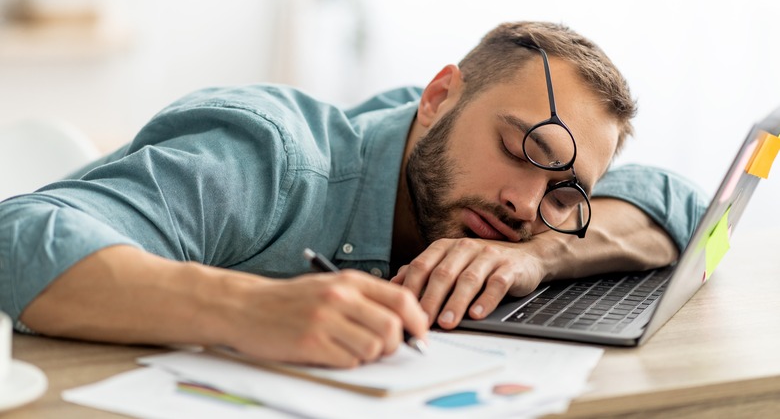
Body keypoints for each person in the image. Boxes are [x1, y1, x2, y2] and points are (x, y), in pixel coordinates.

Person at [0, 21, 706, 368]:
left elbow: (681, 202)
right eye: (522, 148)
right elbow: (18, 236)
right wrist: (251, 309)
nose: (526, 203)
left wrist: (540, 258)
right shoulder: (268, 157)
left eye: (564, 190)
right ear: (436, 99)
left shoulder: (523, 212)